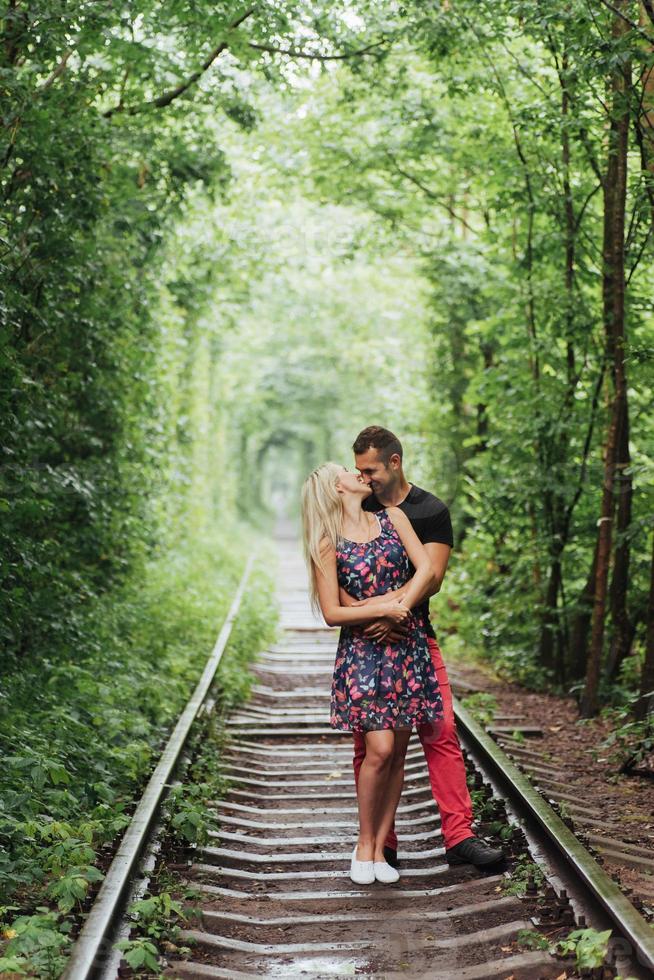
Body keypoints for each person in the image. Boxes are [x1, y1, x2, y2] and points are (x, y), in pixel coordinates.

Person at [344, 425, 505, 871]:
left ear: (394, 462)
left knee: (441, 731)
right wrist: (376, 617)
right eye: (358, 470)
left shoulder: (430, 510)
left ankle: (459, 836)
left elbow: (431, 575)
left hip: (417, 636)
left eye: (370, 469)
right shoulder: (362, 506)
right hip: (369, 644)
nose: (365, 478)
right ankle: (381, 842)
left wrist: (397, 612)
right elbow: (339, 577)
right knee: (371, 746)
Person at [301, 461, 446, 885]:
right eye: (347, 470)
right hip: (363, 654)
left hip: (406, 645)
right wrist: (384, 609)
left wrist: (397, 603)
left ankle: (381, 847)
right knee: (378, 749)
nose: (358, 473)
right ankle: (364, 844)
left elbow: (427, 571)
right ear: (335, 486)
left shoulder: (393, 518)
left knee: (398, 752)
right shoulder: (327, 543)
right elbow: (332, 612)